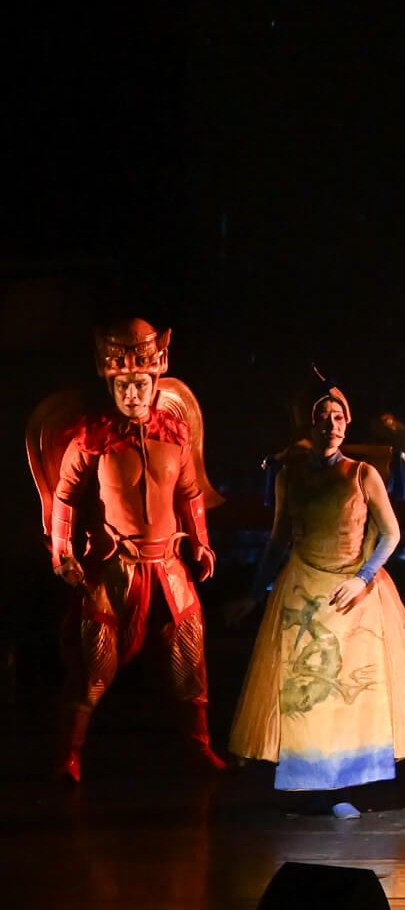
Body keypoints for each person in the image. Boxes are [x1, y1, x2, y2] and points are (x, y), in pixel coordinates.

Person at [30, 318, 226, 781]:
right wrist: (62, 552)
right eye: (124, 385)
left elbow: (190, 493)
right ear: (111, 384)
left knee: (189, 660)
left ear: (155, 380)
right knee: (93, 670)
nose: (133, 394)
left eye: (140, 383)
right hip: (115, 569)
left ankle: (199, 747)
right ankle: (69, 756)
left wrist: (201, 542)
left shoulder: (175, 433)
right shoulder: (91, 437)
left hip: (169, 568)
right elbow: (64, 497)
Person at [229, 376, 405, 798]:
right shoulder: (290, 476)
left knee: (356, 685)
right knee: (306, 685)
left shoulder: (361, 474)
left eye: (338, 417)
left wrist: (362, 579)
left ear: (347, 423)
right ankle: (311, 776)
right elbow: (277, 539)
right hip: (303, 586)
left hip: (354, 589)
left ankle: (355, 777)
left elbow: (391, 533)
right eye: (323, 418)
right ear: (309, 425)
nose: (331, 425)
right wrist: (254, 592)